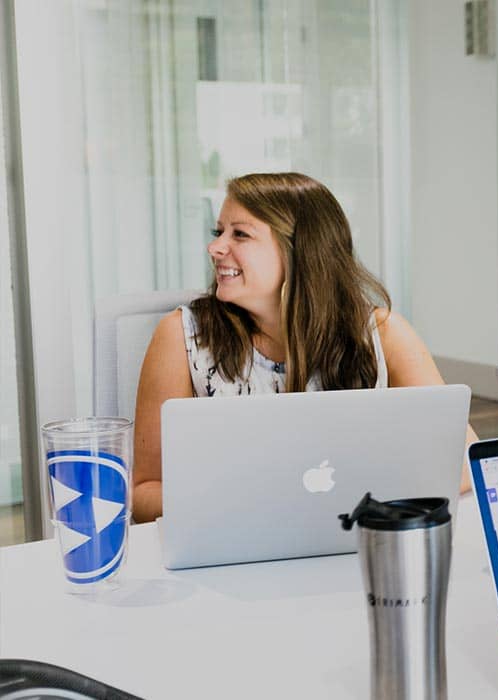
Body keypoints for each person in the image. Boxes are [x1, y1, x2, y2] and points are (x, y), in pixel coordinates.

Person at [131, 172, 477, 523]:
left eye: (240, 234)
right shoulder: (182, 336)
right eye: (218, 232)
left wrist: (363, 501)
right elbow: (143, 493)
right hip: (236, 551)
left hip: (352, 544)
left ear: (299, 251)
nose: (216, 247)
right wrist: (254, 504)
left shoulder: (382, 334)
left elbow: (465, 460)